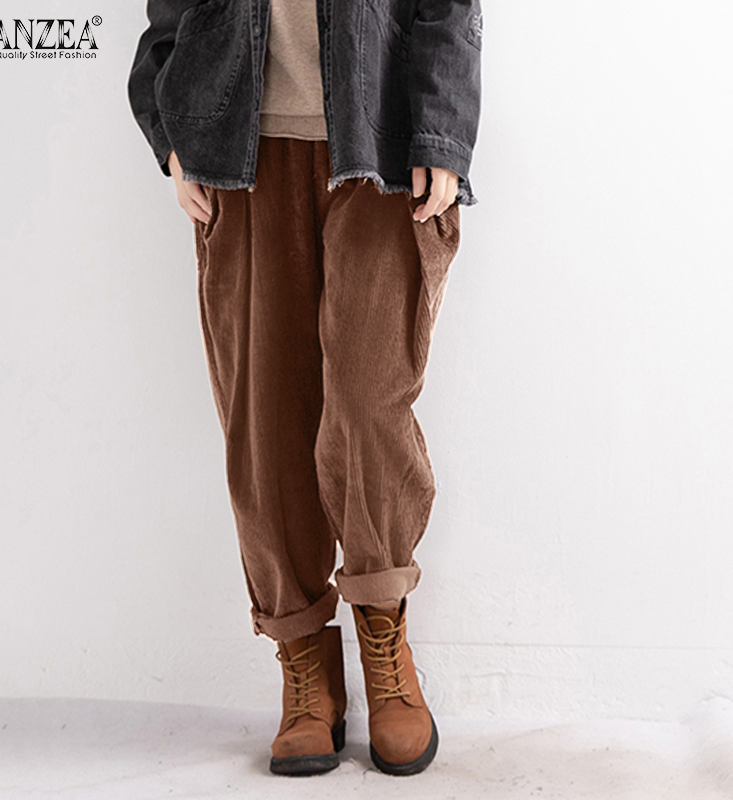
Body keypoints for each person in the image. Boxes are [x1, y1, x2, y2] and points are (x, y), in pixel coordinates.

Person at [128, 0, 482, 778]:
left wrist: (442, 132)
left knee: (367, 405)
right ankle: (304, 662)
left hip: (381, 134)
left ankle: (383, 635)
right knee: (264, 421)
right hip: (239, 142)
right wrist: (172, 129)